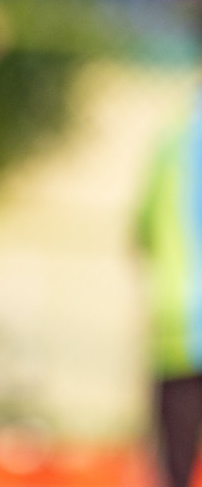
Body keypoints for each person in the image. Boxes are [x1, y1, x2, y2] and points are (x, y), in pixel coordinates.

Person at [137, 91, 202, 487]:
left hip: (178, 323)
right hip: (180, 325)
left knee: (175, 468)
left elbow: (142, 228)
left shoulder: (172, 141)